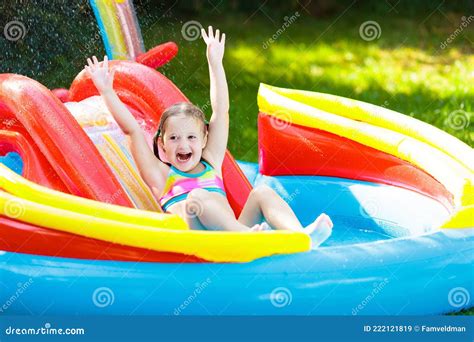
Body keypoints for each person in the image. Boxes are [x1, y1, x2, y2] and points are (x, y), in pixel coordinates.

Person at [85, 26, 333, 247]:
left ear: (204, 140)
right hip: (201, 246)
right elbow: (132, 130)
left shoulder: (211, 162)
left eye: (191, 137)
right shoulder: (161, 175)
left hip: (230, 235)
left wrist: (215, 63)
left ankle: (301, 237)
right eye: (174, 139)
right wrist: (106, 90)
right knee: (196, 198)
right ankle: (249, 238)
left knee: (261, 193)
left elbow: (220, 111)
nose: (183, 144)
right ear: (161, 144)